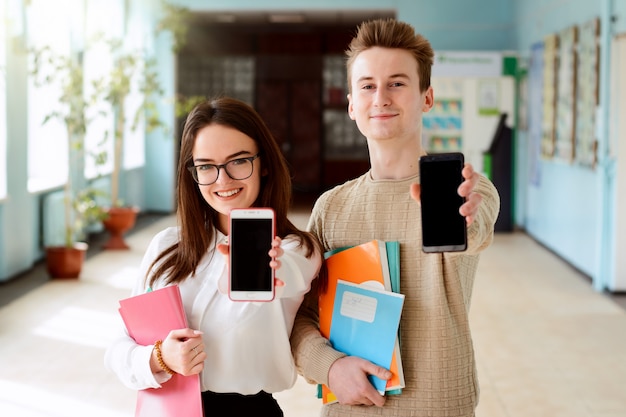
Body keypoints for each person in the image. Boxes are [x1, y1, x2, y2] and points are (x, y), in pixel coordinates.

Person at [290, 18, 500, 417]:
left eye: (397, 83)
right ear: (351, 103)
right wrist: (330, 367)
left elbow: (477, 228)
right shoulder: (331, 208)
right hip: (350, 409)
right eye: (367, 85)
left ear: (426, 97)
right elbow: (301, 318)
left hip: (441, 406)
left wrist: (465, 216)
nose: (380, 97)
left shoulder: (467, 189)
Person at [104, 97, 323, 417]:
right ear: (192, 174)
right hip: (166, 407)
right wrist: (160, 357)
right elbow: (118, 346)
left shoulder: (295, 250)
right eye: (206, 166)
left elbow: (285, 278)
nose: (223, 180)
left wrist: (269, 269)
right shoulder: (166, 247)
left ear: (263, 164)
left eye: (238, 161)